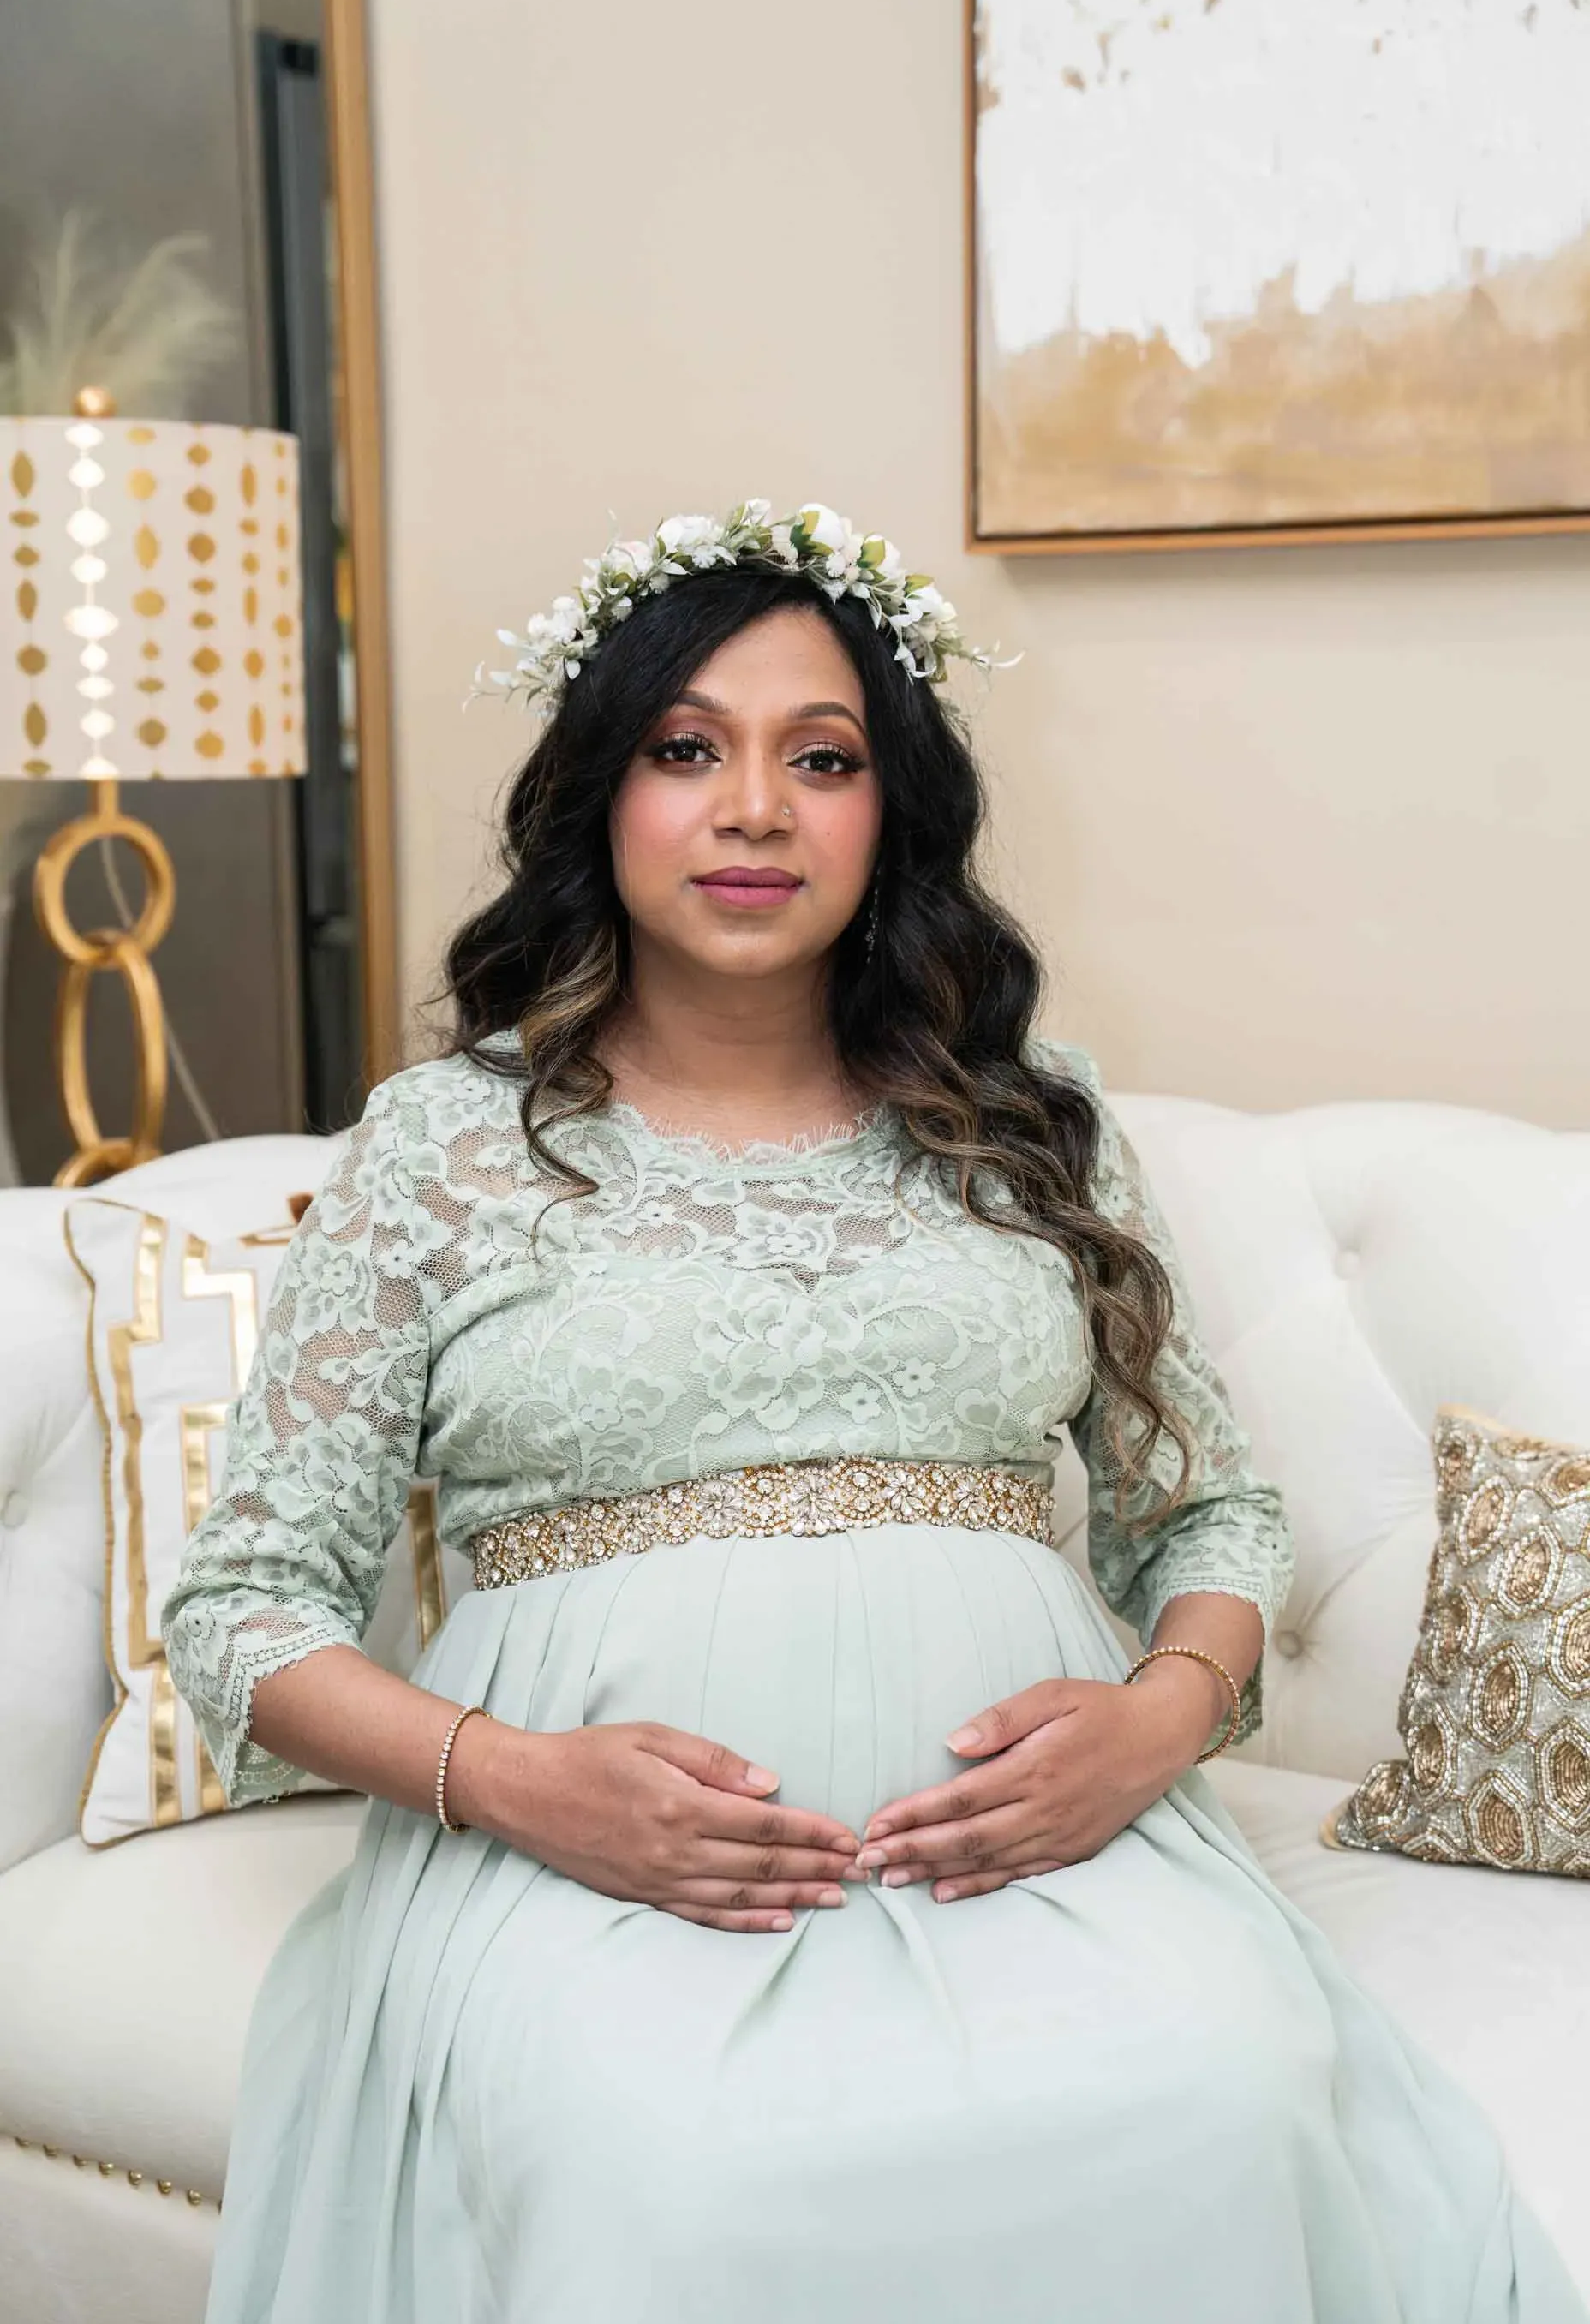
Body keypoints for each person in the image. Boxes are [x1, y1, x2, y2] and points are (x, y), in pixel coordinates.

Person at [164, 500, 1586, 2324]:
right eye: (687, 749)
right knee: (680, 2170)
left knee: (1223, 2094)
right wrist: (522, 1784)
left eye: (818, 758)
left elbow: (1209, 1518)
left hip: (1046, 1850)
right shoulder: (441, 1147)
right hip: (591, 1870)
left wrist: (1155, 1724)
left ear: (884, 811)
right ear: (602, 794)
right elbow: (246, 1608)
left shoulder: (1031, 1118)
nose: (752, 806)